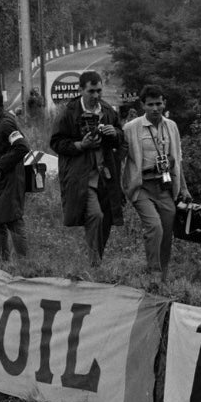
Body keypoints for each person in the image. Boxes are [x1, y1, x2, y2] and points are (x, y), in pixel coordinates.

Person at [50, 70, 127, 264]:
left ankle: (96, 259)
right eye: (91, 91)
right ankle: (95, 264)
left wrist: (114, 133)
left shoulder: (108, 111)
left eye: (99, 91)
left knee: (107, 219)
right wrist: (80, 145)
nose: (96, 96)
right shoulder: (69, 112)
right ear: (81, 90)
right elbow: (56, 142)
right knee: (95, 215)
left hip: (107, 175)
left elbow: (122, 139)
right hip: (82, 175)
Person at [122, 85, 191, 281]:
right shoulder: (131, 128)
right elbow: (120, 158)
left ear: (164, 103)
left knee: (167, 232)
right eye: (150, 104)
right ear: (143, 105)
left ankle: (163, 277)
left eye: (158, 103)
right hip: (142, 185)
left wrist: (184, 188)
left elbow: (178, 159)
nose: (155, 108)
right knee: (154, 227)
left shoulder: (171, 126)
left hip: (165, 185)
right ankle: (153, 272)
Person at [0, 87, 29, 260]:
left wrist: (1, 162)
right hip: (1, 181)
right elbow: (9, 148)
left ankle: (25, 266)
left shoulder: (5, 123)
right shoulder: (0, 120)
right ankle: (3, 264)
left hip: (10, 180)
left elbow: (22, 147)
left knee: (13, 221)